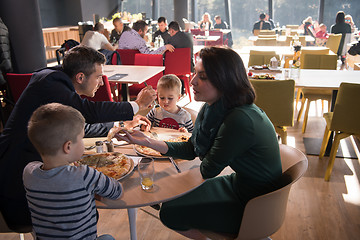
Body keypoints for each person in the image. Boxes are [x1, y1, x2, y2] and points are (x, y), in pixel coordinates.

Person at [114, 47, 282, 238]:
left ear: (224, 80)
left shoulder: (240, 120)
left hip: (257, 203)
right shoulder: (217, 107)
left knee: (170, 212)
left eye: (202, 76)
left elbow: (207, 169)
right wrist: (149, 141)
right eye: (195, 72)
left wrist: (169, 187)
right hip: (243, 185)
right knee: (170, 207)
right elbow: (191, 148)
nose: (192, 80)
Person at [0, 45, 155, 229]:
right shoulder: (52, 84)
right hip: (18, 166)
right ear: (80, 77)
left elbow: (78, 125)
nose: (100, 82)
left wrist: (120, 125)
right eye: (98, 77)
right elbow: (86, 112)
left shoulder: (57, 79)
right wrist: (137, 104)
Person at [24, 103, 122, 239]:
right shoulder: (84, 174)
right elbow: (116, 191)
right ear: (68, 147)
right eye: (81, 138)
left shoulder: (28, 173)